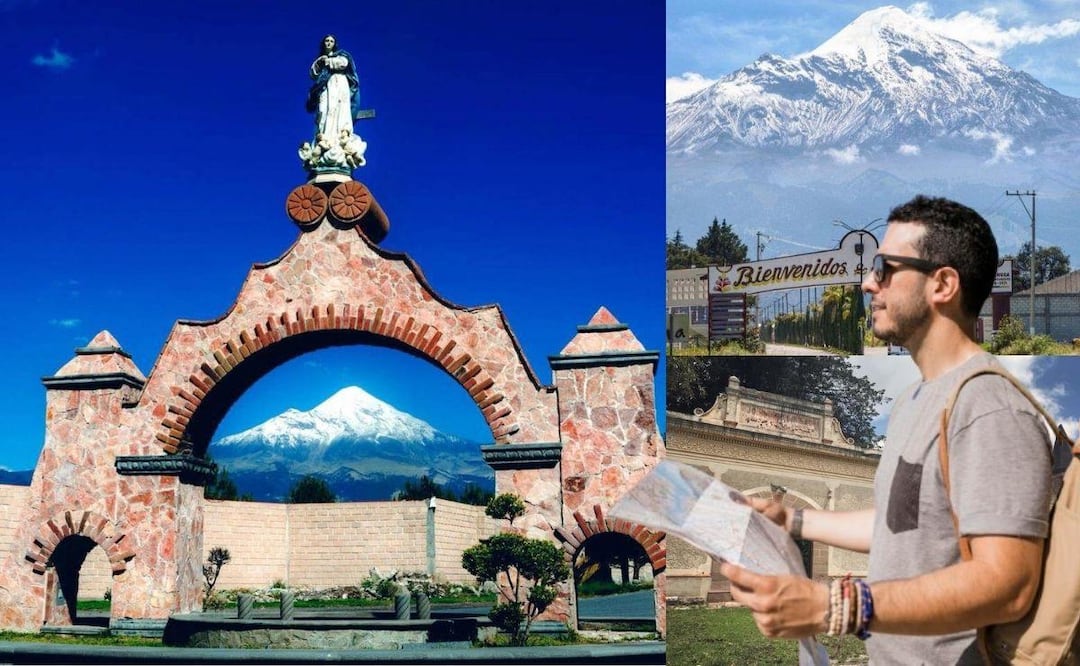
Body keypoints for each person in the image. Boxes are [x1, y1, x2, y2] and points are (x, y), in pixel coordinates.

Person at [720, 195, 1052, 664]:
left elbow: (1009, 584)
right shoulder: (912, 402)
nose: (867, 282)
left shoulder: (989, 407)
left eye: (885, 268)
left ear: (942, 284)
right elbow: (903, 526)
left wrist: (840, 606)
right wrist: (791, 519)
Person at [306, 34, 359, 145]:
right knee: (323, 109)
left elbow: (344, 63)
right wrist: (320, 62)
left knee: (341, 107)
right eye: (327, 40)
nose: (329, 43)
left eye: (331, 41)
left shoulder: (341, 55)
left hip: (339, 82)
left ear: (335, 44)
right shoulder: (320, 60)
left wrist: (329, 61)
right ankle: (323, 135)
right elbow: (313, 74)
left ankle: (343, 134)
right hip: (325, 85)